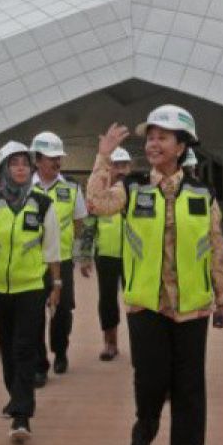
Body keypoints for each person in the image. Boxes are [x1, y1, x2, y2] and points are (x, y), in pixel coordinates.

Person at [87, 105, 223, 445]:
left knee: (190, 392)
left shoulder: (203, 193)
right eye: (150, 136)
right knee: (150, 385)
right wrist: (103, 156)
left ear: (182, 145)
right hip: (145, 307)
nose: (153, 143)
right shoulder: (132, 188)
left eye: (162, 137)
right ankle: (144, 428)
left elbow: (214, 248)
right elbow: (96, 205)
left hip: (192, 309)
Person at [0, 141, 62, 441]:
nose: (21, 167)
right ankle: (15, 397)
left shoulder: (43, 205)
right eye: (14, 163)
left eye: (25, 162)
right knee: (7, 348)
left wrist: (56, 285)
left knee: (23, 349)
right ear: (3, 170)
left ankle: (22, 417)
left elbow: (52, 250)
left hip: (32, 289)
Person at [30, 131, 88, 384]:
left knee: (63, 311)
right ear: (37, 159)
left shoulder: (72, 188)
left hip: (62, 260)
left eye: (58, 157)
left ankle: (60, 351)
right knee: (33, 314)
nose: (57, 162)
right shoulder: (23, 189)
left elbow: (79, 225)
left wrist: (80, 253)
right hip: (31, 262)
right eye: (51, 157)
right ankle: (39, 364)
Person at [79, 146, 133, 360]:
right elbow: (89, 226)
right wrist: (85, 255)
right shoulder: (99, 196)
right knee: (108, 301)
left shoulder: (138, 192)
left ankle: (141, 343)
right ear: (108, 168)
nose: (120, 170)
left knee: (138, 301)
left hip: (134, 258)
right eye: (116, 165)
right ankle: (110, 343)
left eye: (124, 165)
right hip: (106, 256)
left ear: (130, 168)